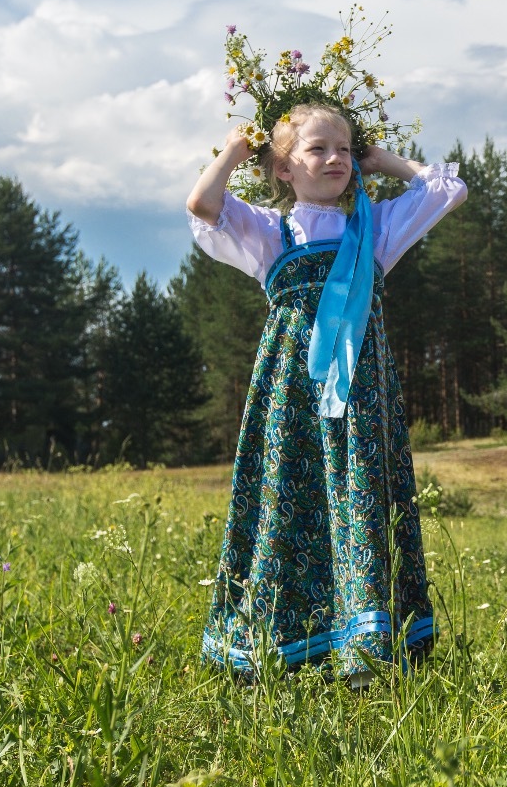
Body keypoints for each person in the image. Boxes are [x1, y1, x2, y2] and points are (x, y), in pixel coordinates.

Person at [186, 101, 466, 680]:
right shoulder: (271, 231)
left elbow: (447, 188)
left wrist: (379, 158)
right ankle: (280, 643)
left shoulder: (375, 225)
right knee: (289, 491)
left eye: (344, 149)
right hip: (291, 389)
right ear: (284, 169)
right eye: (318, 150)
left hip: (361, 388)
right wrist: (239, 150)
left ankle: (366, 647)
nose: (335, 159)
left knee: (359, 487)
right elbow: (202, 205)